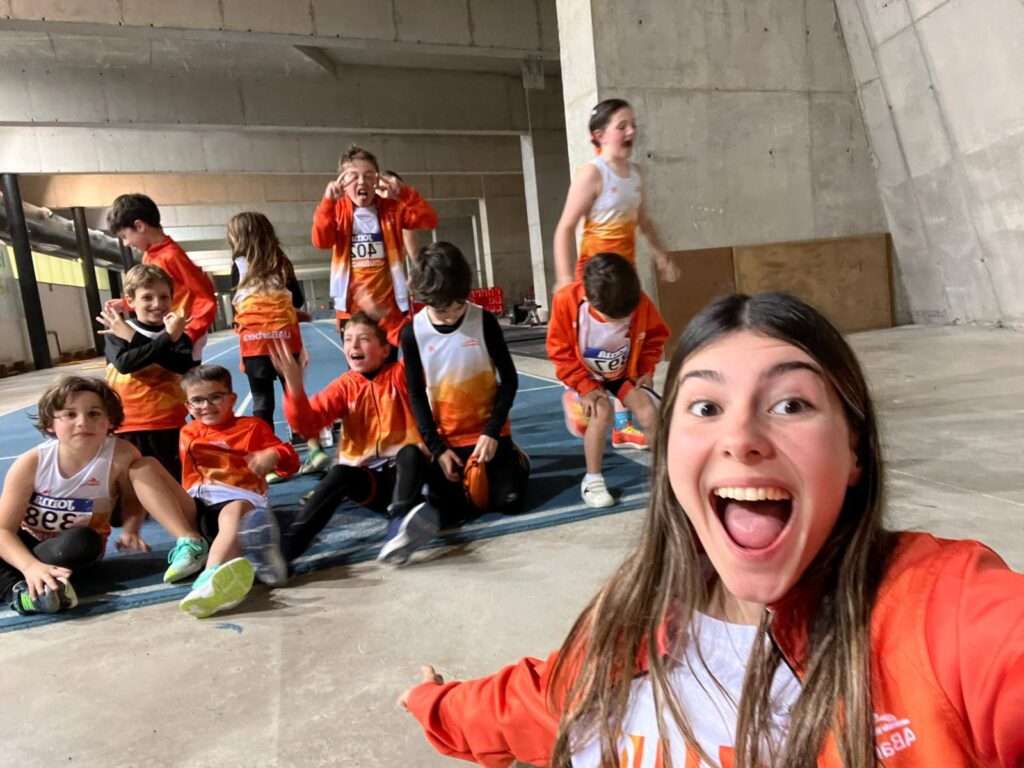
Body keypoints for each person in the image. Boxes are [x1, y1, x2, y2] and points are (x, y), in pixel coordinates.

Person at [401, 292, 1024, 767]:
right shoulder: (624, 627)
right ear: (670, 446)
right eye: (705, 407)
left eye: (790, 404)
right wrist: (434, 703)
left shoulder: (940, 611)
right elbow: (534, 701)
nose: (742, 438)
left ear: (854, 449)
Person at [0, 377, 209, 615]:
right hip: (29, 544)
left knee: (82, 540)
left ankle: (35, 583)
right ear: (50, 423)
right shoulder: (31, 463)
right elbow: (4, 530)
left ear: (110, 420)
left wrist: (131, 529)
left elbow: (132, 498)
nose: (82, 422)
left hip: (75, 548)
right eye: (70, 415)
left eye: (94, 413)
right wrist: (29, 566)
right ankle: (24, 592)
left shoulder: (121, 455)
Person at [259, 313, 435, 572]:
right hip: (372, 482)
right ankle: (285, 553)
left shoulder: (401, 376)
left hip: (412, 476)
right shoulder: (344, 387)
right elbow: (307, 425)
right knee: (339, 473)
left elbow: (418, 347)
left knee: (410, 451)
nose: (354, 345)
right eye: (348, 339)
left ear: (385, 350)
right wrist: (295, 390)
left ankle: (399, 528)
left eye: (363, 339)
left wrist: (390, 316)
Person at [399, 242, 530, 525]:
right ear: (424, 299)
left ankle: (516, 459)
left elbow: (509, 380)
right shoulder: (412, 333)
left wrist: (492, 432)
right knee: (450, 516)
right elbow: (416, 396)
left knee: (510, 503)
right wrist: (438, 450)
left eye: (457, 306)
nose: (450, 315)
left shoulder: (483, 321)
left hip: (490, 435)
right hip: (448, 440)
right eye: (441, 310)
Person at [547, 252, 668, 508]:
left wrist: (645, 371)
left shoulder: (639, 302)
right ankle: (592, 479)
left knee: (648, 411)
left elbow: (655, 337)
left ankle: (666, 474)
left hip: (621, 371)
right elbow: (559, 351)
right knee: (602, 412)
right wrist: (584, 387)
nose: (620, 321)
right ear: (590, 298)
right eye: (612, 317)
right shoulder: (566, 301)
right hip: (584, 373)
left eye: (625, 316)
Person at [177, 365, 300, 617]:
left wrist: (274, 454)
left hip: (239, 500)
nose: (206, 405)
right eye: (197, 400)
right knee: (149, 469)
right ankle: (201, 545)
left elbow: (291, 461)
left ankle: (209, 579)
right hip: (197, 502)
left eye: (215, 397)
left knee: (233, 515)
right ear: (188, 406)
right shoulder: (187, 432)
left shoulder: (252, 427)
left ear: (232, 399)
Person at [98, 263, 198, 548]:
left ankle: (191, 536)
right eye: (147, 297)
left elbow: (180, 363)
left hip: (168, 422)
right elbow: (126, 364)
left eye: (164, 297)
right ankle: (131, 528)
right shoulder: (117, 332)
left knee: (174, 487)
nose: (157, 304)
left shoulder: (179, 335)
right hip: (128, 424)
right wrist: (166, 338)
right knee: (127, 493)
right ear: (130, 301)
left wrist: (146, 339)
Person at [227, 211, 327, 476]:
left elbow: (237, 303)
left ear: (238, 238)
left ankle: (267, 460)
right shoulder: (281, 262)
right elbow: (297, 300)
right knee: (295, 394)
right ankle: (315, 449)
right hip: (285, 340)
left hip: (255, 343)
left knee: (262, 401)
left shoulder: (238, 264)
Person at [312, 145, 438, 346]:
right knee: (359, 364)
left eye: (369, 175)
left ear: (377, 180)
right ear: (342, 182)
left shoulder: (392, 209)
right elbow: (321, 241)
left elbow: (429, 220)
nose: (362, 181)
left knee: (391, 362)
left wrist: (404, 193)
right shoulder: (336, 210)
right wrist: (327, 203)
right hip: (352, 310)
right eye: (353, 176)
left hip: (388, 309)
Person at [553, 98, 678, 290]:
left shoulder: (637, 174)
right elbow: (565, 228)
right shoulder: (592, 173)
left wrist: (662, 256)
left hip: (627, 276)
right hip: (595, 280)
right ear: (600, 135)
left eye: (633, 125)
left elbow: (644, 222)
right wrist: (565, 279)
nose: (631, 131)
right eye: (622, 127)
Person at [107, 193, 217, 359]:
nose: (126, 243)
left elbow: (205, 298)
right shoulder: (149, 256)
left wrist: (189, 333)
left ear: (139, 226)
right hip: (168, 331)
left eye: (124, 236)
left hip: (182, 334)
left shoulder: (171, 256)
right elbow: (153, 293)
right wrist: (126, 304)